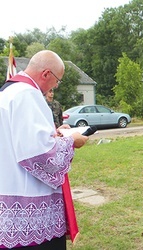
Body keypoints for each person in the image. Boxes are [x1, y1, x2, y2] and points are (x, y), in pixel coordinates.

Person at [0, 50, 89, 249]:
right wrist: (71, 141)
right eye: (57, 80)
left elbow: (21, 140)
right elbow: (39, 155)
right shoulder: (27, 94)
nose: (56, 85)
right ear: (46, 74)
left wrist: (54, 134)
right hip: (29, 201)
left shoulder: (8, 93)